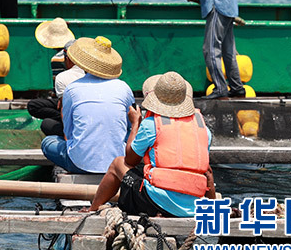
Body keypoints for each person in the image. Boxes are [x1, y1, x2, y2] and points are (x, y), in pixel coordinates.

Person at [88, 71, 216, 217]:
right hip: (194, 205)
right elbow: (206, 171)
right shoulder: (203, 130)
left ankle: (93, 209)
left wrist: (135, 124)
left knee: (117, 163)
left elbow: (130, 160)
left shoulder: (151, 124)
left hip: (156, 202)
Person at [40, 36, 134, 174]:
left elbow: (69, 131)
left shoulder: (72, 89)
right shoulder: (124, 88)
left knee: (48, 142)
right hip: (118, 163)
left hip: (79, 164)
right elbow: (130, 126)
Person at [27, 18, 84, 136]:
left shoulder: (57, 59)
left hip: (67, 101)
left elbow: (59, 96)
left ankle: (68, 120)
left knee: (34, 106)